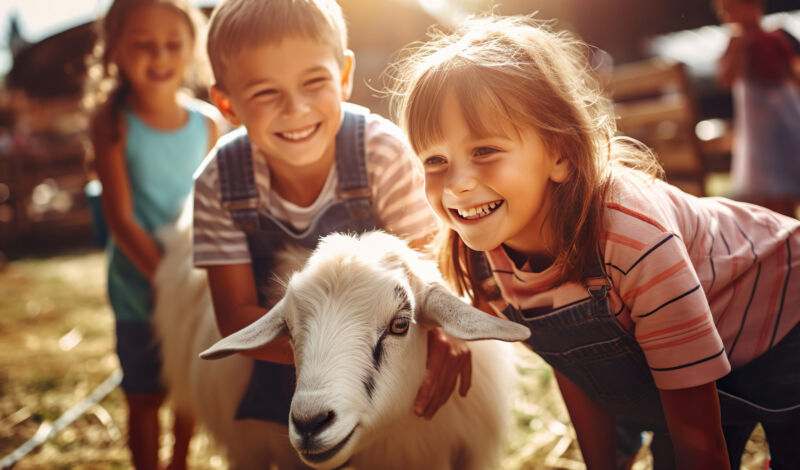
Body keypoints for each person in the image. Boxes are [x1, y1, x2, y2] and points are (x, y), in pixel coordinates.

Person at [389, 14, 800, 470]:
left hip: (786, 315)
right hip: (703, 362)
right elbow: (577, 364)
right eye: (435, 159)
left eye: (484, 150)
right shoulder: (486, 249)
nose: (457, 184)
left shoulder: (631, 236)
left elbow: (700, 443)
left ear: (560, 153)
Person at [191, 0, 470, 438]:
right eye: (266, 92)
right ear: (226, 103)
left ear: (343, 76)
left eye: (314, 81)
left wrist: (439, 333)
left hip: (386, 356)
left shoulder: (382, 152)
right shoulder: (216, 182)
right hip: (285, 359)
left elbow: (426, 271)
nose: (296, 108)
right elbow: (234, 316)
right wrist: (330, 361)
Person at [84, 0, 221, 468]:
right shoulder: (111, 122)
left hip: (194, 286)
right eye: (144, 45)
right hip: (140, 289)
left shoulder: (209, 123)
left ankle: (179, 461)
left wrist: (192, 282)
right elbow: (120, 219)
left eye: (171, 44)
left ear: (190, 49)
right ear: (115, 50)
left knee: (186, 390)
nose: (159, 56)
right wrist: (165, 279)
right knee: (143, 396)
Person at [714, 0, 800, 218]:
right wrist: (740, 48)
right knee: (767, 185)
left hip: (783, 118)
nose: (725, 14)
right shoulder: (736, 43)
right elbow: (725, 78)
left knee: (788, 172)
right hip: (758, 126)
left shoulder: (776, 37)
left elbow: (791, 74)